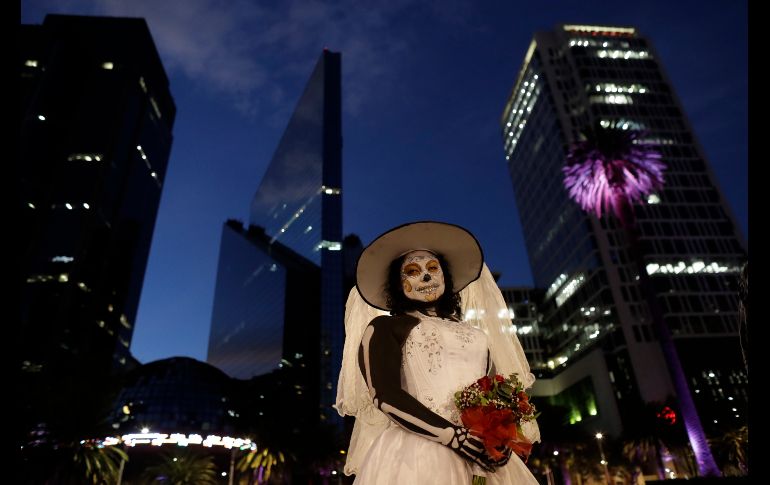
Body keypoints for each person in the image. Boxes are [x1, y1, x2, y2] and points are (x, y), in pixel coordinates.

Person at [335, 221, 540, 484]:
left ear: (445, 275)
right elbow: (385, 396)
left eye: (433, 268)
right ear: (399, 283)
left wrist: (500, 438)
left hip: (483, 455)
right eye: (413, 271)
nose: (427, 277)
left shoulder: (477, 335)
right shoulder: (385, 327)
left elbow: (492, 392)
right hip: (417, 455)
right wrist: (456, 438)